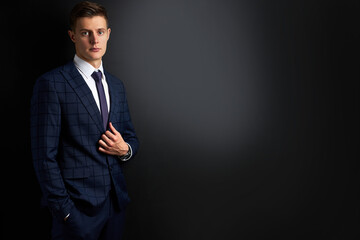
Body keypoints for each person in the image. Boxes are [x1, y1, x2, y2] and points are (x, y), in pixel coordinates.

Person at [30, 1, 139, 239]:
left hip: (116, 207)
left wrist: (125, 150)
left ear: (108, 34)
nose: (94, 40)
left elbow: (130, 137)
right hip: (76, 213)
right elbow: (43, 156)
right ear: (72, 36)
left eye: (100, 32)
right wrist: (65, 212)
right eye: (85, 33)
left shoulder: (117, 86)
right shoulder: (52, 84)